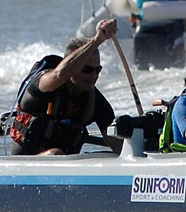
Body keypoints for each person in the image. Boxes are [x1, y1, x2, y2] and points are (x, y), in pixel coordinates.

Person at [10, 19, 120, 156]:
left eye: (97, 70)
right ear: (72, 66)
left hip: (68, 163)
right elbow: (60, 74)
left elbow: (118, 147)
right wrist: (98, 40)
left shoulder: (94, 100)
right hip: (27, 160)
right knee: (55, 154)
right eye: (87, 69)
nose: (93, 75)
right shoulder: (44, 83)